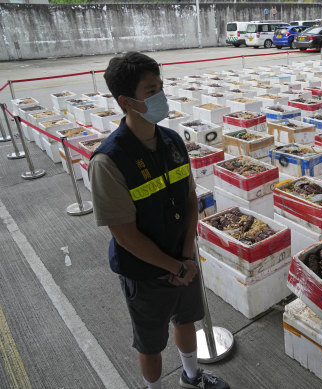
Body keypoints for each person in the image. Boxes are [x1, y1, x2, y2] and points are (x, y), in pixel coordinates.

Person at [88, 52, 229, 389]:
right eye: (151, 91)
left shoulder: (173, 141)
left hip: (183, 259)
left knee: (186, 320)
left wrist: (185, 256)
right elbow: (125, 236)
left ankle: (192, 376)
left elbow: (190, 199)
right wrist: (174, 266)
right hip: (146, 272)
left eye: (161, 87)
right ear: (126, 101)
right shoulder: (109, 161)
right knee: (150, 343)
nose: (161, 96)